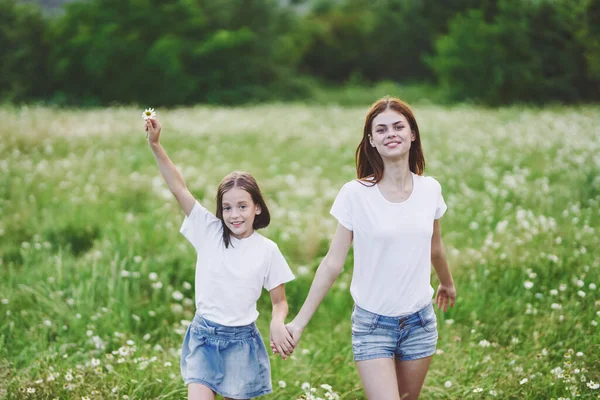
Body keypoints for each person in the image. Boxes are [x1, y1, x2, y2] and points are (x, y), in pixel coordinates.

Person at [277, 96, 457, 399]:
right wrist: (299, 323)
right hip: (373, 324)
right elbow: (333, 263)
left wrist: (447, 283)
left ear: (412, 134)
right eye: (382, 130)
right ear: (371, 140)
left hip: (420, 322)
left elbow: (435, 248)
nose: (391, 134)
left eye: (399, 126)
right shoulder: (355, 194)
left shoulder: (430, 190)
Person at [145, 117, 295, 400]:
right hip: (204, 337)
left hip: (242, 342)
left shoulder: (267, 250)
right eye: (227, 207)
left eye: (242, 206)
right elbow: (179, 188)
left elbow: (280, 301)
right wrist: (155, 145)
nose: (234, 214)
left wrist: (277, 322)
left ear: (257, 209)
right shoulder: (209, 231)